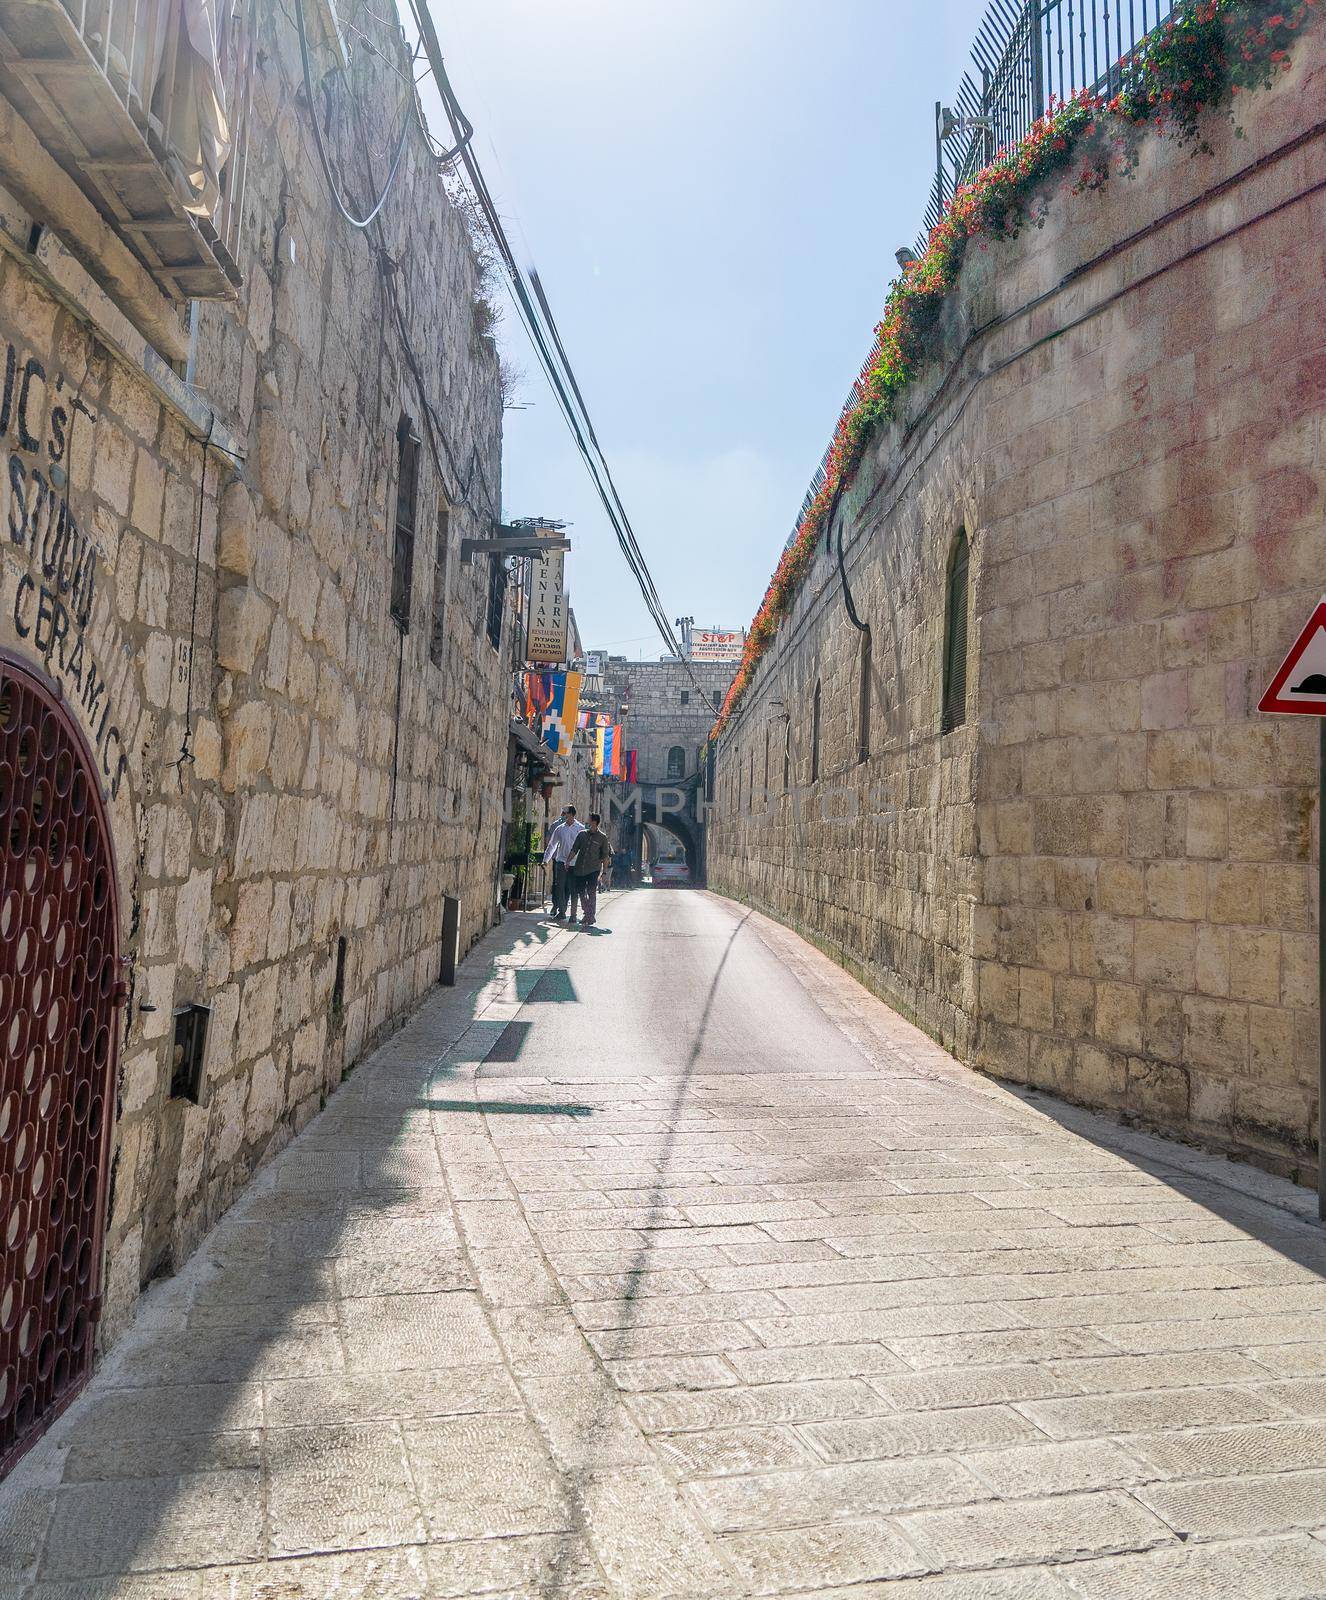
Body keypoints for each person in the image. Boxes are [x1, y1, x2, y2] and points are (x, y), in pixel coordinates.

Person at [567, 812, 612, 928]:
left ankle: (590, 916)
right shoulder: (581, 835)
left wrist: (604, 872)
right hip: (580, 869)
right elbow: (574, 849)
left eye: (589, 819)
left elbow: (605, 856)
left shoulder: (602, 837)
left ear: (594, 822)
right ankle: (588, 914)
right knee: (581, 893)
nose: (587, 820)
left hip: (593, 869)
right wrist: (568, 861)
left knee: (591, 893)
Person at [542, 805, 584, 921]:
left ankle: (573, 914)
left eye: (565, 813)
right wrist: (546, 859)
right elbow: (552, 845)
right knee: (559, 887)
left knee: (572, 888)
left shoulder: (580, 829)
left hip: (574, 863)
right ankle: (562, 911)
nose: (563, 815)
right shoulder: (559, 829)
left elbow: (583, 847)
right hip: (561, 861)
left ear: (570, 814)